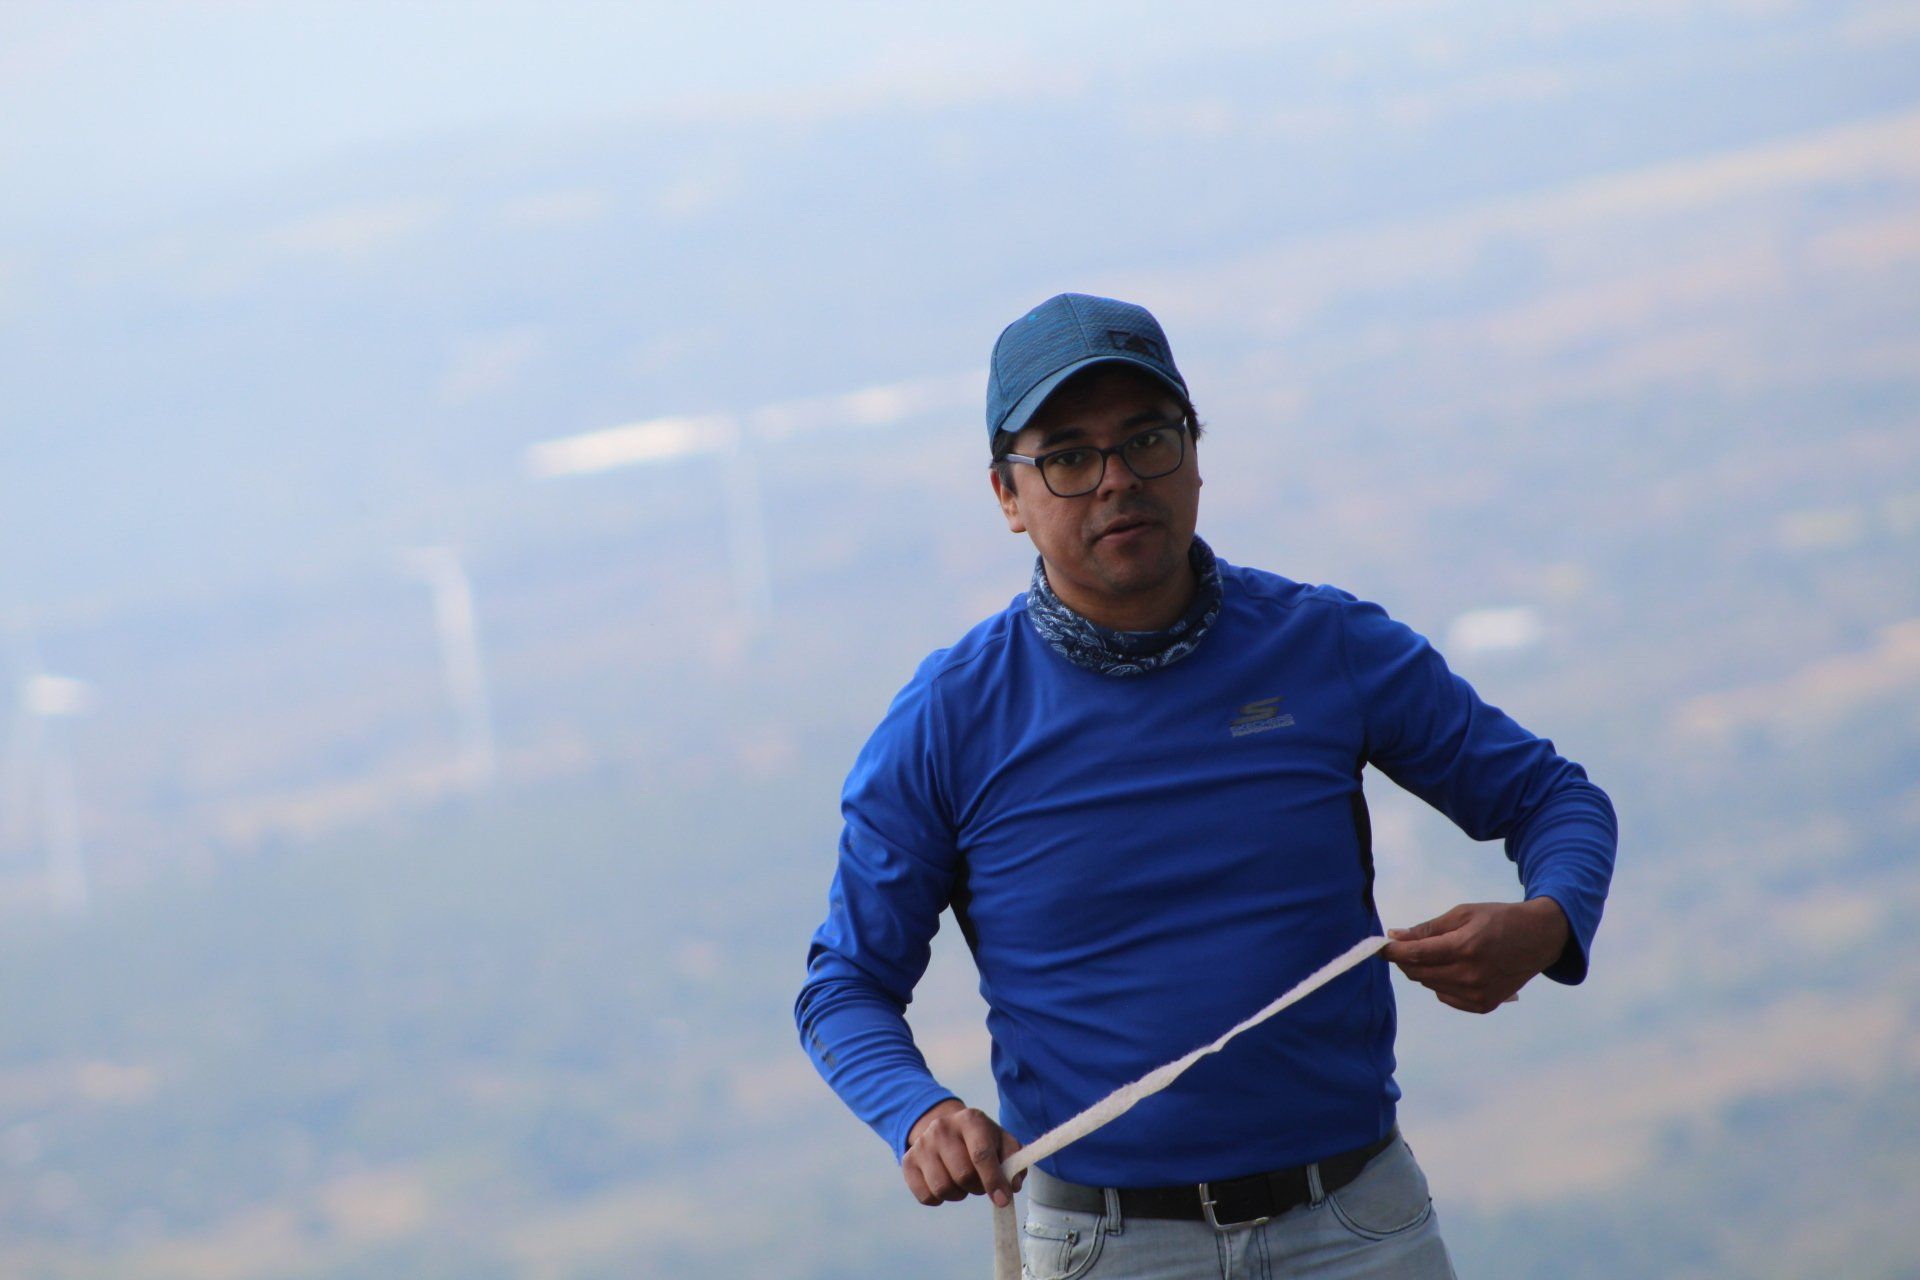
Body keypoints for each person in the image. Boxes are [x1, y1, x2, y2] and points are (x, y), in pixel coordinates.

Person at [793, 292, 1617, 1279]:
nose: (1116, 480)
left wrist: (1551, 921)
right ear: (1008, 495)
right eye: (1066, 455)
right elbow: (843, 985)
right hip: (1103, 1246)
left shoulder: (1328, 645)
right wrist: (918, 1111)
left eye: (1147, 438)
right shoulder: (949, 719)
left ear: (1193, 452)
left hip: (1357, 1225)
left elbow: (1555, 799)